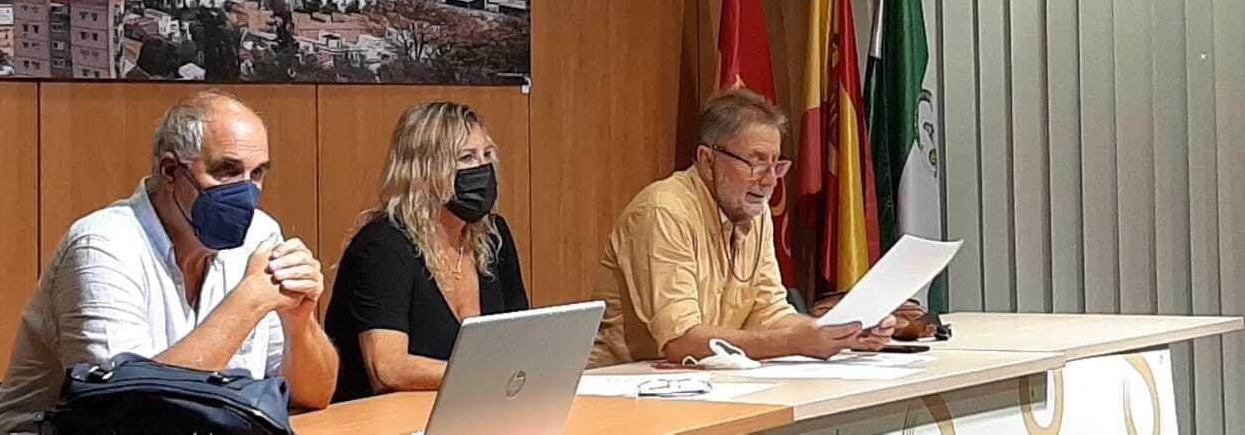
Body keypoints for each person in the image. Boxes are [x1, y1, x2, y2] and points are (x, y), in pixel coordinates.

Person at [0, 91, 338, 434]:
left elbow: (314, 395)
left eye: (257, 174)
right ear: (171, 170)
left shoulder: (260, 234)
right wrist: (250, 301)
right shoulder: (102, 245)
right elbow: (135, 412)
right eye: (226, 171)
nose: (246, 193)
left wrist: (300, 321)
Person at [589, 88, 896, 367]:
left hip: (705, 384)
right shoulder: (664, 210)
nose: (769, 180)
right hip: (623, 387)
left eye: (776, 164)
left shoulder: (755, 211)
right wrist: (794, 343)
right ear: (708, 161)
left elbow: (768, 313)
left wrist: (840, 331)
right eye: (756, 162)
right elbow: (681, 342)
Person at [325, 102, 528, 400]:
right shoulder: (382, 247)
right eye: (466, 158)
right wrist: (487, 376)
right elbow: (388, 369)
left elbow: (520, 338)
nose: (482, 170)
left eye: (487, 155)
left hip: (469, 411)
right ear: (424, 169)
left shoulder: (493, 236)